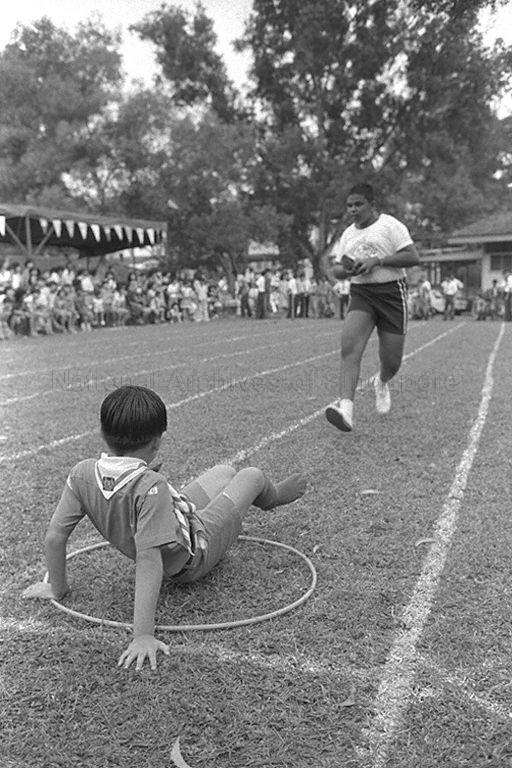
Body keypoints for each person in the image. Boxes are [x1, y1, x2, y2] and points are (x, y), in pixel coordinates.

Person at [23, 385, 307, 671]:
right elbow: (148, 560)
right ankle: (274, 497)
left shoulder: (80, 473)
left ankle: (240, 495)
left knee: (224, 472)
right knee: (251, 475)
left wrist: (57, 588)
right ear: (158, 442)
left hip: (174, 516)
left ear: (101, 432)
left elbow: (55, 536)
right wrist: (143, 635)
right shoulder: (150, 487)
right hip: (196, 553)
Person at [321, 182, 420, 432]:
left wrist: (378, 260)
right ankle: (346, 409)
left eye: (358, 204)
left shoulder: (390, 226)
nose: (353, 209)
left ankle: (382, 381)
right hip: (361, 294)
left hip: (391, 294)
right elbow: (336, 269)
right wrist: (347, 270)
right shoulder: (347, 235)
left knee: (392, 361)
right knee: (349, 347)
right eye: (349, 205)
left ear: (372, 205)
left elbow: (412, 256)